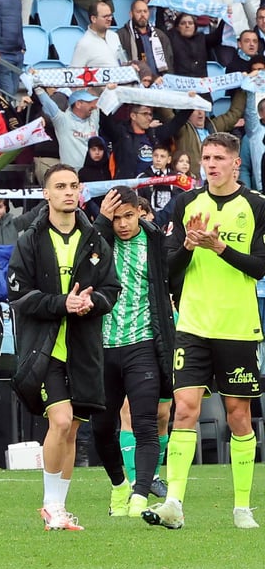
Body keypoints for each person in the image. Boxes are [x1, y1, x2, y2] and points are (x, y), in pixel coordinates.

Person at [147, 133, 265, 530]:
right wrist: (188, 246)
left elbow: (260, 267)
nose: (211, 164)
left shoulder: (257, 206)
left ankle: (242, 507)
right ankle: (174, 504)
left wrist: (219, 248)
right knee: (184, 409)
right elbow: (167, 270)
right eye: (207, 158)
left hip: (237, 325)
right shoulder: (186, 203)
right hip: (193, 323)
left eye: (219, 158)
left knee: (238, 415)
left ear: (236, 163)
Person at [8, 164, 119, 531]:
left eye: (73, 185)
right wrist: (62, 304)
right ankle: (50, 505)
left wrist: (92, 302)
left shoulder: (95, 239)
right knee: (59, 420)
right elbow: (18, 294)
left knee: (71, 428)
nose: (68, 192)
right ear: (46, 194)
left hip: (84, 350)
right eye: (60, 186)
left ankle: (58, 506)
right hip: (45, 349)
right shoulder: (29, 239)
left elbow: (111, 289)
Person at [90, 186, 175, 518]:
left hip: (142, 345)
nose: (123, 224)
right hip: (103, 348)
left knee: (146, 424)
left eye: (128, 216)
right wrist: (101, 221)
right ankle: (119, 485)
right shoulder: (99, 242)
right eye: (116, 218)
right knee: (101, 428)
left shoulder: (155, 243)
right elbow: (83, 260)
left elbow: (175, 273)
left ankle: (139, 496)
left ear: (140, 212)